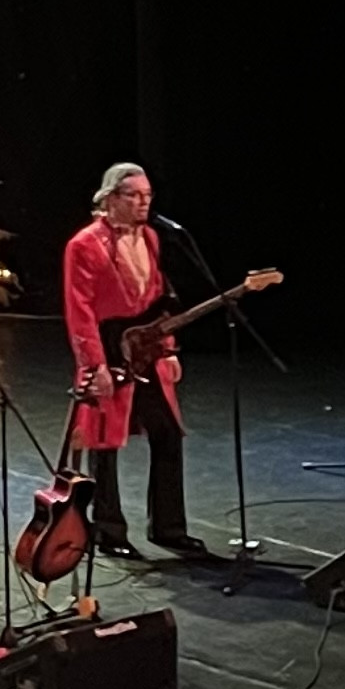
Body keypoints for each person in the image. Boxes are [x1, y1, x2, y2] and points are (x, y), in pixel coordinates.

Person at [62, 159, 209, 560]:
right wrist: (95, 368)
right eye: (135, 195)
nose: (144, 202)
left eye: (148, 195)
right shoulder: (85, 245)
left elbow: (160, 301)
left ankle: (169, 528)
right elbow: (80, 312)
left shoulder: (153, 238)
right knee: (106, 443)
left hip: (148, 353)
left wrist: (170, 347)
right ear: (111, 199)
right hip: (108, 355)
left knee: (168, 434)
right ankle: (108, 530)